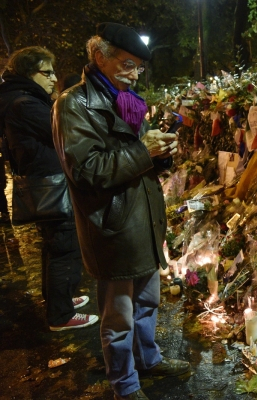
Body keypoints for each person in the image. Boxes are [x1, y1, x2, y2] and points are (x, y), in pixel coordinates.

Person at [52, 23, 189, 400]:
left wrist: (158, 157)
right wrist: (145, 151)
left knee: (148, 302)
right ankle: (125, 385)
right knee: (119, 316)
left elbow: (132, 161)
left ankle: (149, 360)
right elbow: (86, 170)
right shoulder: (74, 104)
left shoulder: (128, 101)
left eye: (139, 67)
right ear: (100, 57)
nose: (134, 74)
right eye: (127, 64)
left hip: (142, 220)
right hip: (112, 224)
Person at [0, 46, 98, 331]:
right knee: (64, 247)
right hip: (51, 184)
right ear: (29, 73)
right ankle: (61, 314)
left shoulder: (21, 99)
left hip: (44, 182)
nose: (53, 77)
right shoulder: (24, 104)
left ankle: (58, 298)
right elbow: (63, 131)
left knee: (54, 245)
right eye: (47, 72)